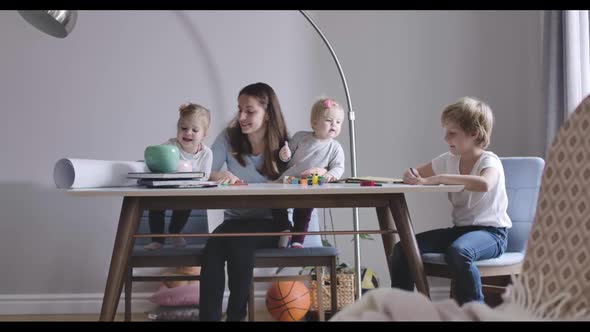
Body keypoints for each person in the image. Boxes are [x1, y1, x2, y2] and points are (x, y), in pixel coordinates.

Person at [391, 96, 511, 305]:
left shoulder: (489, 160)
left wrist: (440, 178)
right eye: (446, 132)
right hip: (460, 231)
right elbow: (414, 172)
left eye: (452, 133)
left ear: (474, 133)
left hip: (492, 234)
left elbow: (484, 184)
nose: (446, 138)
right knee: (403, 248)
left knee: (459, 252)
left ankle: (475, 313)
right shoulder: (448, 159)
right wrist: (410, 173)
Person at [199, 82, 291, 321]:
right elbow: (202, 171)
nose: (241, 116)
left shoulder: (286, 146)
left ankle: (236, 317)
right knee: (212, 251)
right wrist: (220, 175)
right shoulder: (229, 138)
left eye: (250, 111)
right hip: (235, 222)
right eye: (239, 109)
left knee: (239, 247)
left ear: (267, 114)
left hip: (271, 222)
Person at [274, 97, 346, 248]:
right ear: (314, 123)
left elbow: (338, 167)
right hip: (290, 180)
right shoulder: (301, 137)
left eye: (338, 122)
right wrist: (284, 154)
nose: (334, 125)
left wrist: (329, 175)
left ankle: (297, 241)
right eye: (329, 121)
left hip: (311, 184)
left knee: (304, 211)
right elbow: (286, 157)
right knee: (276, 203)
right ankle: (285, 229)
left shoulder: (335, 147)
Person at [143, 103, 213, 251]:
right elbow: (158, 161)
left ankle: (175, 232)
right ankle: (157, 239)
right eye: (183, 128)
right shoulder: (171, 147)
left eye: (195, 130)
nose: (188, 133)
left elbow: (205, 176)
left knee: (186, 205)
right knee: (155, 206)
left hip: (186, 191)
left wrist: (191, 180)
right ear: (177, 129)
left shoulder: (206, 153)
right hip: (166, 188)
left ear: (204, 134)